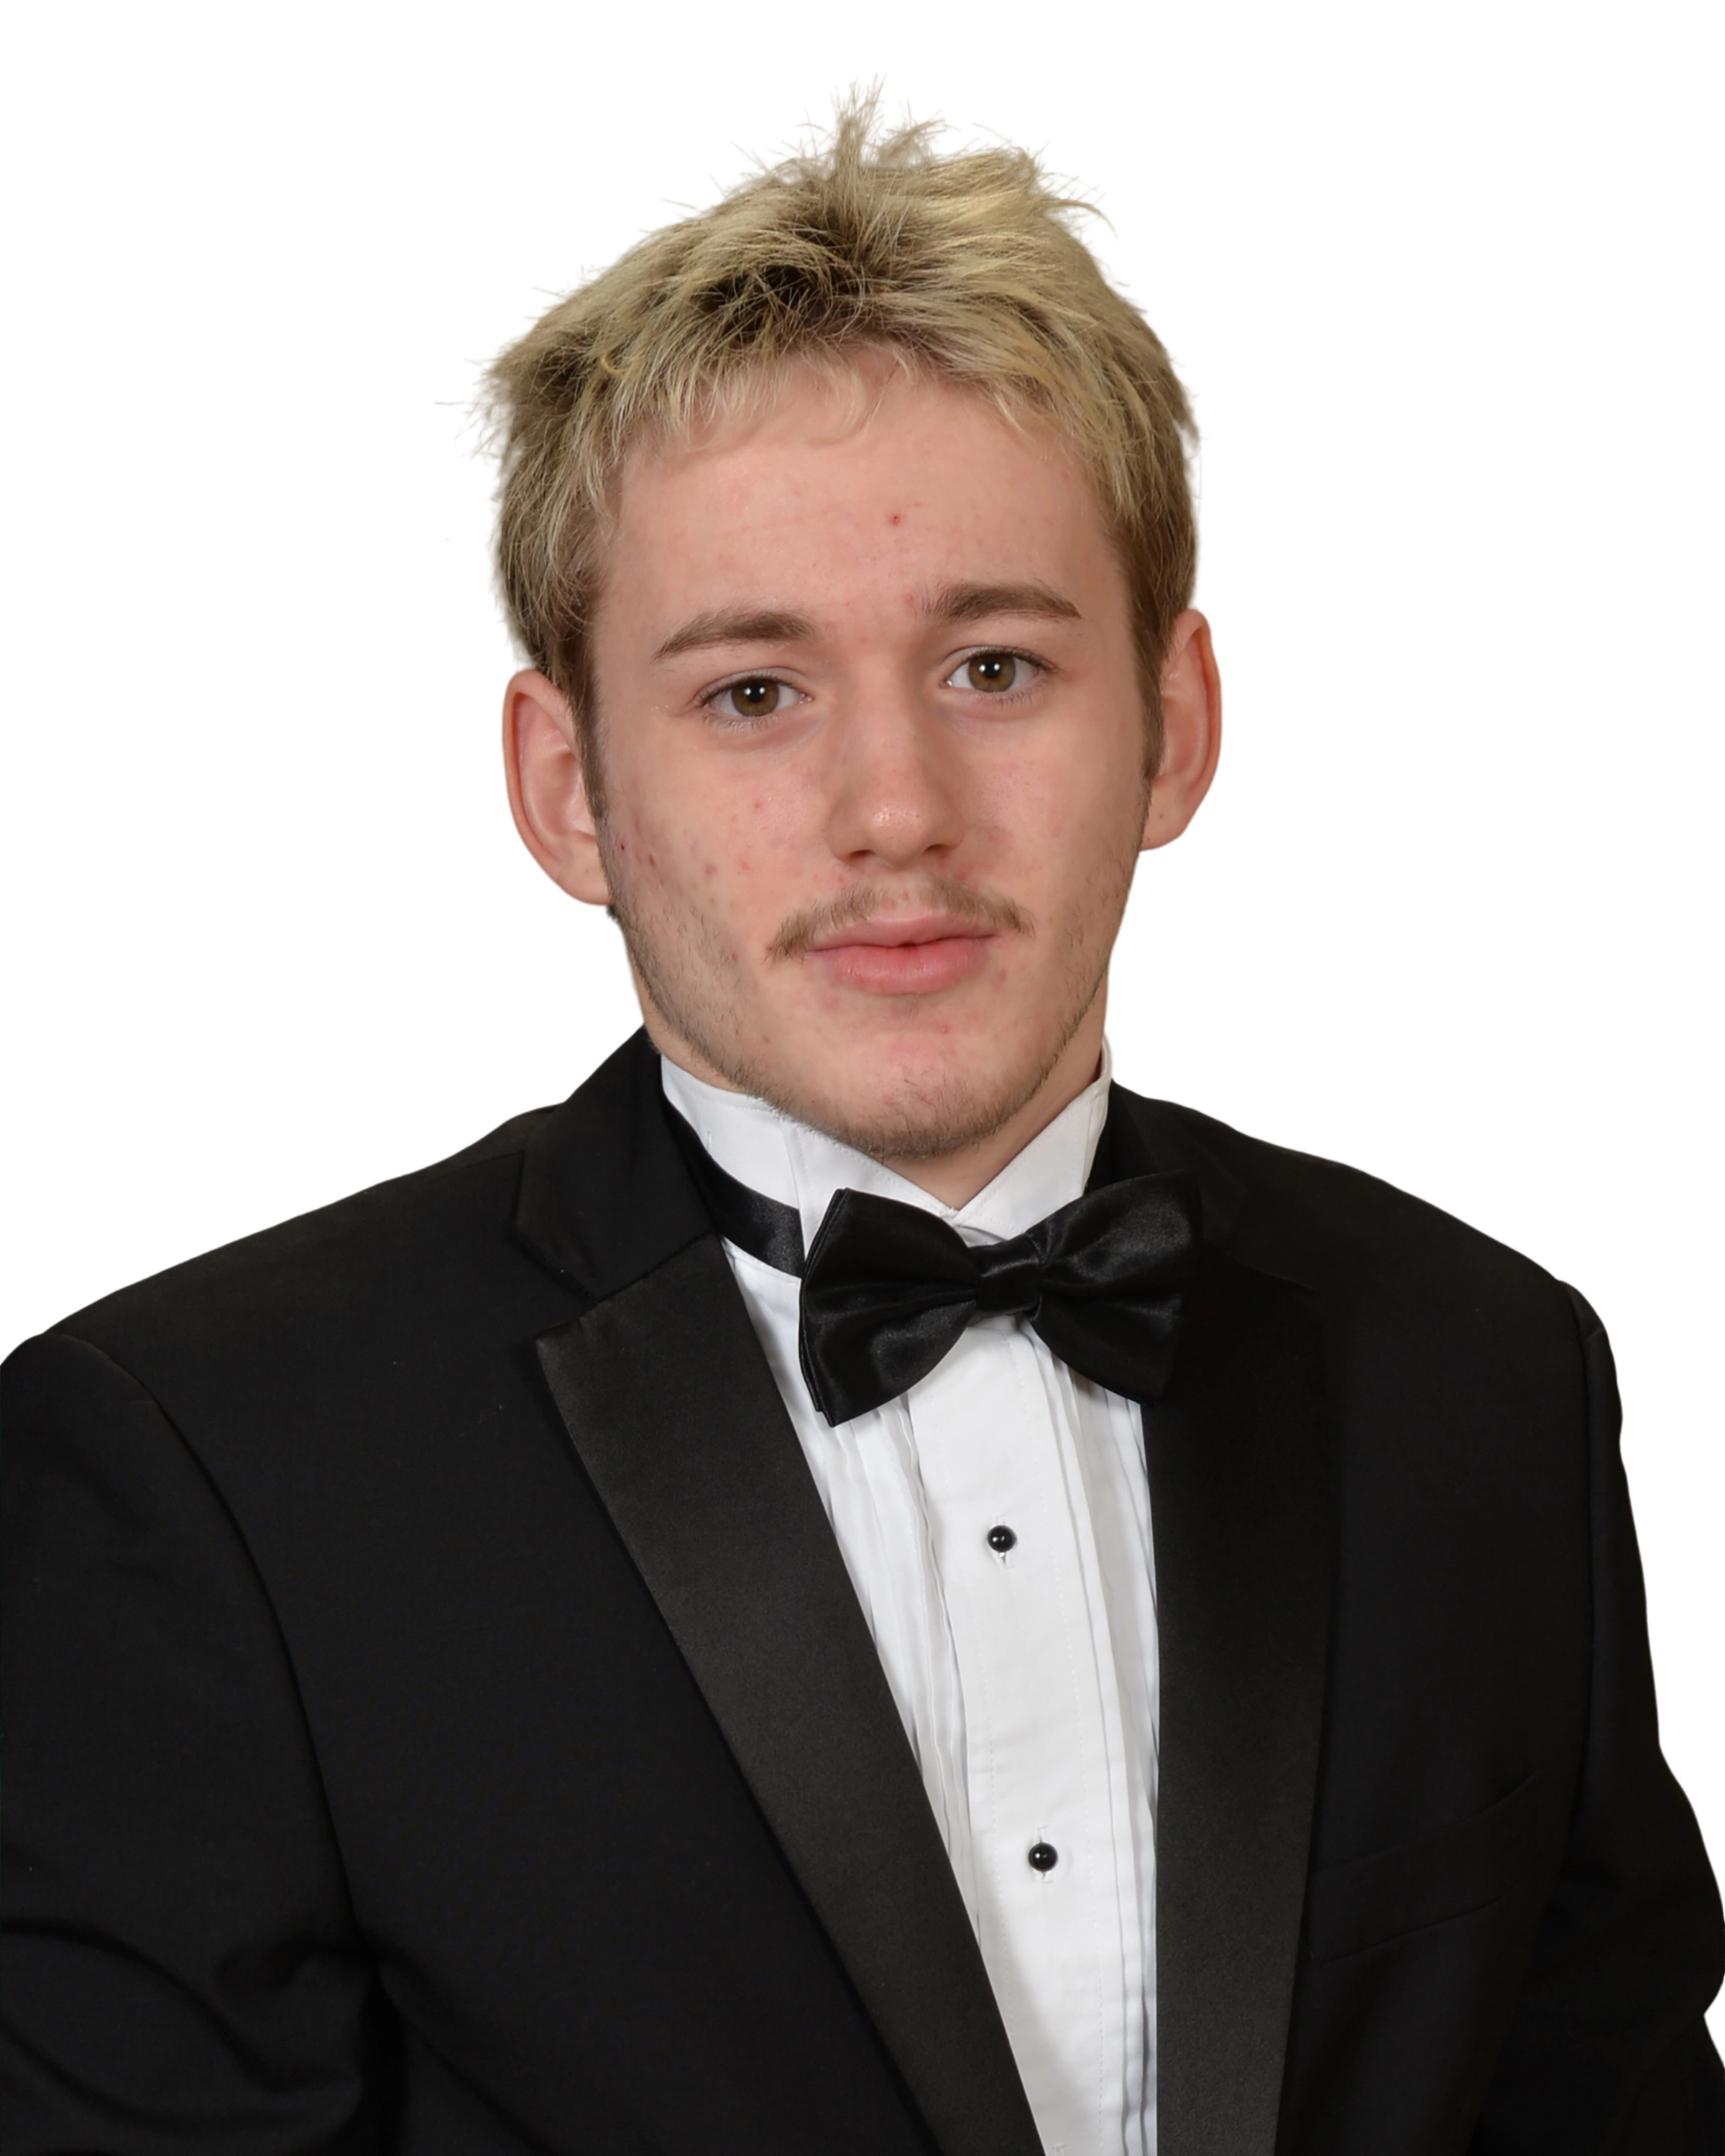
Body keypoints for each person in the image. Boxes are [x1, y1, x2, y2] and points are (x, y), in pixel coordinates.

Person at [4, 73, 1720, 2156]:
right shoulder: (194, 1464)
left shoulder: (1490, 1367)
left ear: (1177, 725)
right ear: (564, 789)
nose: (895, 811)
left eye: (995, 667)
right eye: (753, 692)